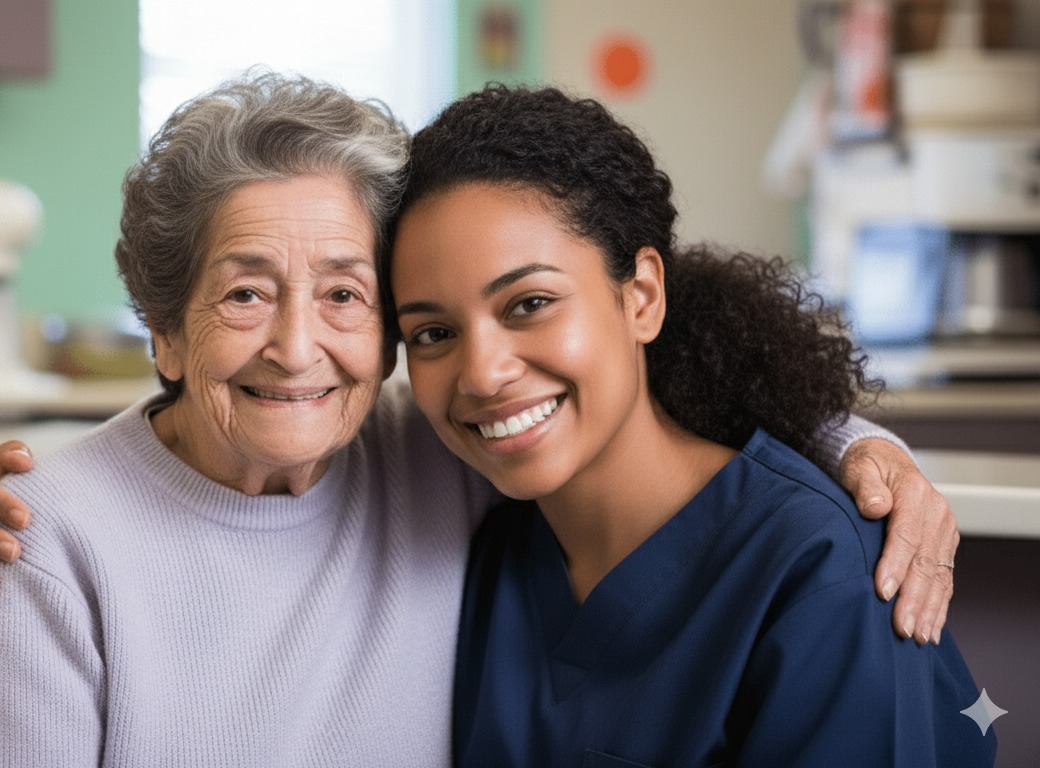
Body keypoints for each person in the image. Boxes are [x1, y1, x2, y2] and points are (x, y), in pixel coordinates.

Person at [0, 72, 958, 766]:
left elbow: (658, 391)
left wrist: (855, 442)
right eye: (243, 294)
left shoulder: (445, 455)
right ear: (164, 328)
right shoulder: (35, 542)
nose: (296, 345)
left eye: (344, 294)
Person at [387, 85, 991, 766]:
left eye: (529, 303)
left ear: (641, 297)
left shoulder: (816, 569)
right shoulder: (494, 552)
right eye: (433, 332)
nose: (481, 373)